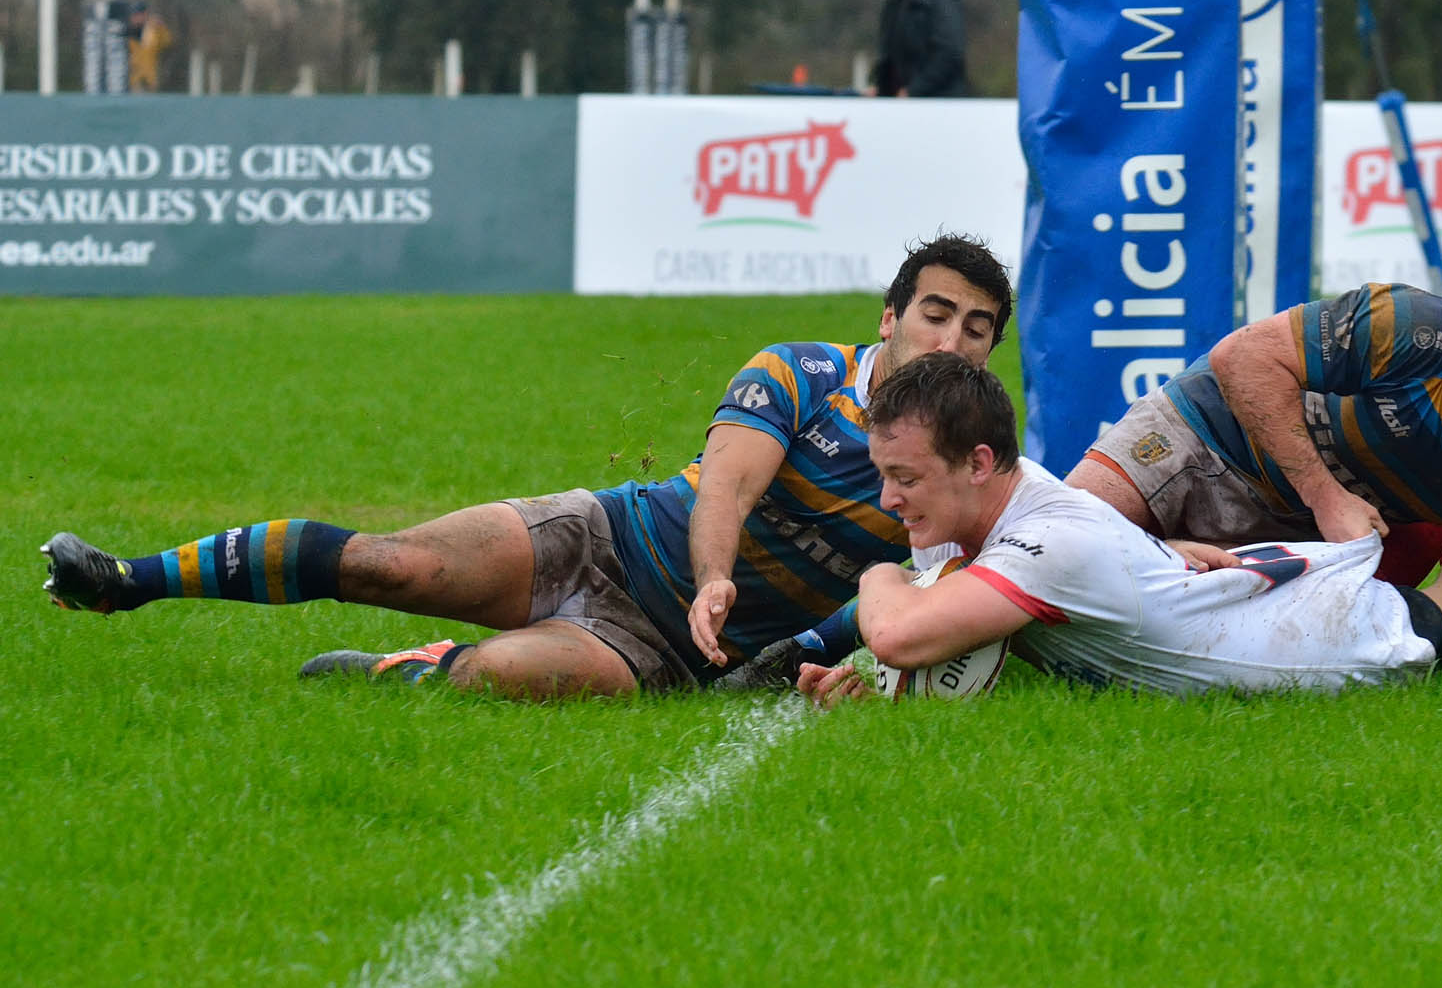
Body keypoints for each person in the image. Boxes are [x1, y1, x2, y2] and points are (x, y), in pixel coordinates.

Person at [40, 235, 1014, 699]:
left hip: (667, 652)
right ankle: (128, 581)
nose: (953, 337)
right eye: (936, 311)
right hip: (601, 537)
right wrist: (715, 574)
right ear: (890, 317)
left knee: (497, 680)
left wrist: (824, 654)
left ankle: (402, 669)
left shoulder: (964, 478)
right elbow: (730, 482)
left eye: (978, 328)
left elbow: (926, 591)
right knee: (392, 565)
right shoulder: (800, 372)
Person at [796, 352, 1442, 707]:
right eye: (884, 474)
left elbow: (898, 630)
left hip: (1368, 641)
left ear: (980, 462)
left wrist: (879, 581)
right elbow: (933, 637)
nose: (888, 500)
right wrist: (870, 684)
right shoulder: (1005, 508)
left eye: (907, 478)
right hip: (1280, 593)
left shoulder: (1046, 545)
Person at [1064, 282, 1442, 664]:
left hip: (1318, 538)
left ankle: (1163, 559)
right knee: (1057, 547)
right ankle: (1164, 553)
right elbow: (1240, 357)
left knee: (1408, 655)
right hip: (1206, 437)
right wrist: (1325, 496)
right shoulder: (1412, 327)